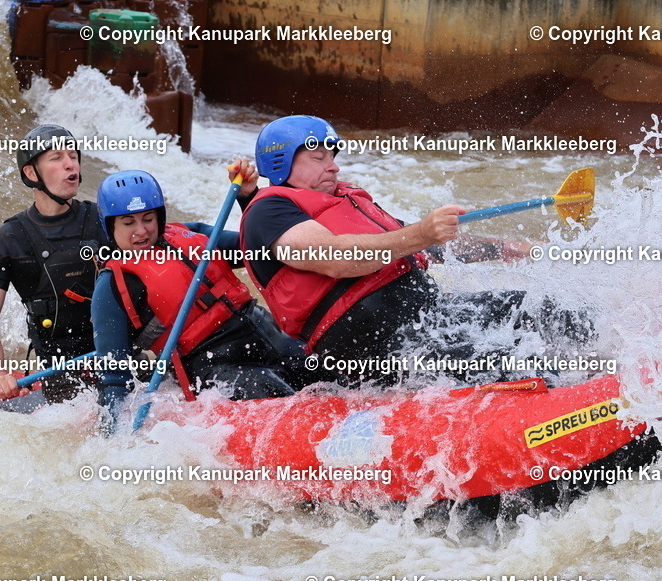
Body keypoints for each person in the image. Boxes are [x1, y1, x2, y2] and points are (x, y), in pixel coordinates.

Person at [240, 115, 594, 386]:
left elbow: (419, 243)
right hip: (370, 351)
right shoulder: (269, 212)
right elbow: (335, 258)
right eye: (318, 157)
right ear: (280, 163)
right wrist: (421, 234)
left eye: (332, 155)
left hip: (428, 317)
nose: (333, 165)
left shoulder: (345, 198)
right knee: (513, 364)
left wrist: (511, 249)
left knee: (545, 310)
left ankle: (621, 369)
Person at [91, 165, 322, 433]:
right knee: (277, 394)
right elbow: (113, 375)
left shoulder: (187, 235)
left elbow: (259, 247)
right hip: (216, 367)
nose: (141, 231)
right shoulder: (111, 287)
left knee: (328, 368)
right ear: (110, 226)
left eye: (148, 219)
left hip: (267, 335)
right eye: (128, 223)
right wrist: (111, 437)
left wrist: (248, 196)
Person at [0, 124, 105, 404]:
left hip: (114, 358)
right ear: (32, 174)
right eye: (56, 158)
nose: (71, 163)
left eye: (73, 155)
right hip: (58, 372)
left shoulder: (105, 220)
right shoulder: (7, 239)